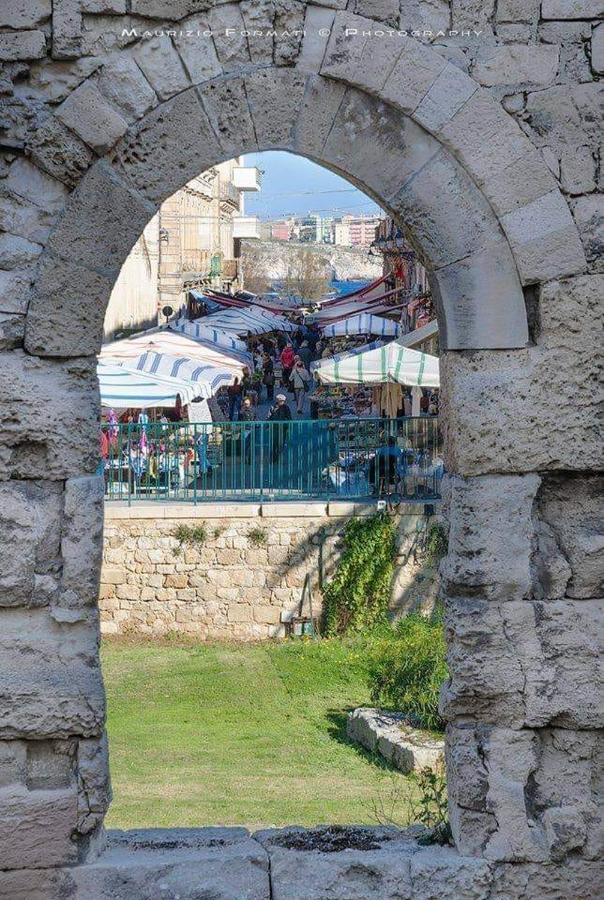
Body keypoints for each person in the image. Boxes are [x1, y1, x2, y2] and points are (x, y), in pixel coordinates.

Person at [268, 393, 292, 462]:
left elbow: (289, 417)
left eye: (282, 401)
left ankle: (278, 457)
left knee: (281, 444)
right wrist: (268, 425)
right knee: (274, 443)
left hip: (283, 428)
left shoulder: (286, 408)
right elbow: (269, 416)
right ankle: (273, 458)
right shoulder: (273, 407)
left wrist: (288, 426)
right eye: (280, 400)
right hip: (274, 428)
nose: (281, 402)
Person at [239, 397, 256, 462]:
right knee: (245, 444)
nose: (246, 405)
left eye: (247, 404)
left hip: (252, 428)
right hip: (245, 429)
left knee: (251, 445)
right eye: (245, 404)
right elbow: (239, 419)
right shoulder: (242, 411)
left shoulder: (253, 409)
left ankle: (250, 459)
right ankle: (245, 458)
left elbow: (255, 417)